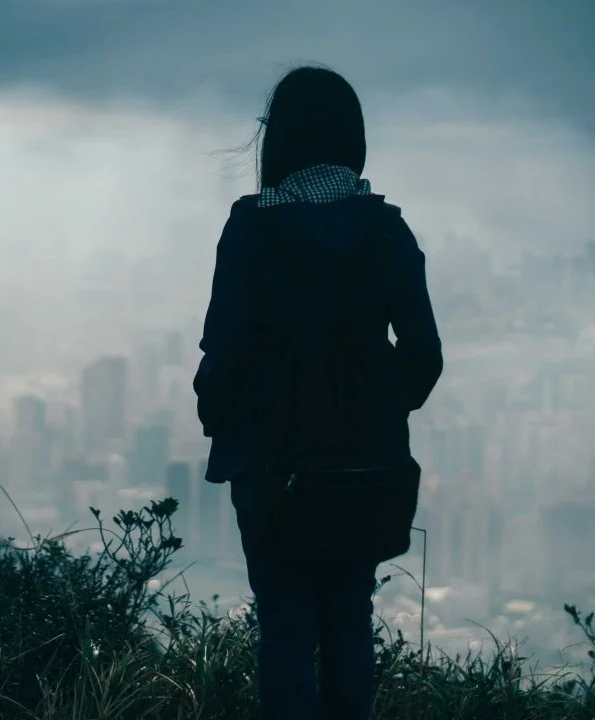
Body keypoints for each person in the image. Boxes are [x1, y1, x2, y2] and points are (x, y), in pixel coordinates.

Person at [192, 65, 443, 719]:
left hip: (273, 469)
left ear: (278, 142)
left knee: (284, 624)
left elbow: (221, 355)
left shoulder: (251, 231)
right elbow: (425, 356)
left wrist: (234, 425)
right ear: (351, 139)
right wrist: (374, 409)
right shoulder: (385, 230)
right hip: (364, 466)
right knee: (347, 618)